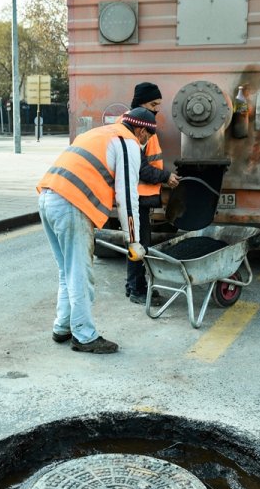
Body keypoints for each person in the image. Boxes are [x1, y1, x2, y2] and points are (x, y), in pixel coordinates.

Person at [37, 108, 157, 354]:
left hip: (48, 196)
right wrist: (133, 240)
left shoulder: (101, 133)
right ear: (142, 131)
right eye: (147, 138)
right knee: (80, 272)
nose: (145, 144)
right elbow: (127, 196)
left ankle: (62, 327)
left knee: (67, 270)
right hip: (71, 203)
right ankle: (84, 335)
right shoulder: (128, 143)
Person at [123, 82, 180, 305]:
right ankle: (137, 290)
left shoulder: (138, 122)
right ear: (141, 103)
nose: (157, 109)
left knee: (138, 243)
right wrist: (166, 177)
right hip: (136, 197)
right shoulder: (135, 126)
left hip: (139, 197)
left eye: (158, 105)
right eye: (153, 104)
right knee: (139, 245)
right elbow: (140, 168)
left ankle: (135, 286)